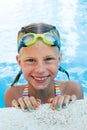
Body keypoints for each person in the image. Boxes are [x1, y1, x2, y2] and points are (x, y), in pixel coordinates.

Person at [4, 23, 83, 112]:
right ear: (19, 62)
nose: (40, 70)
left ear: (59, 59)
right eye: (31, 60)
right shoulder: (12, 95)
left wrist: (69, 107)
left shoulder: (73, 89)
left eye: (48, 59)